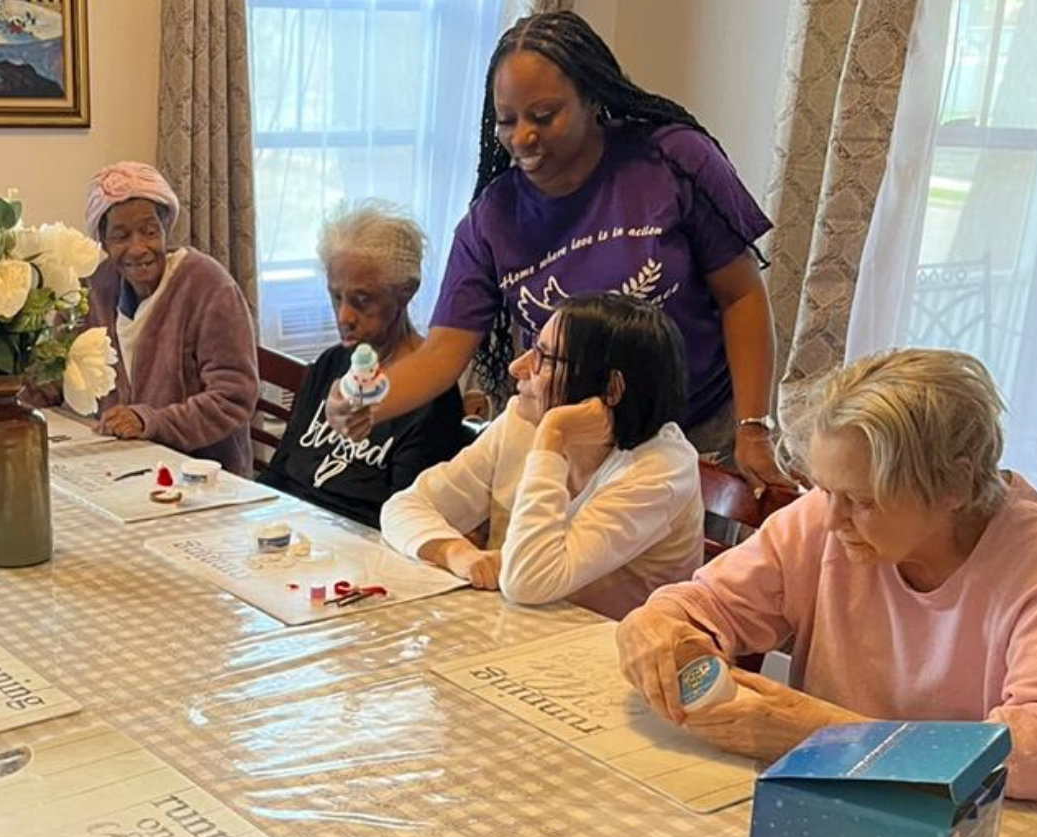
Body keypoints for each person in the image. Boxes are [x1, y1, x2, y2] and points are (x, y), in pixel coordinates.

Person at [615, 349, 1037, 823]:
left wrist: (817, 733)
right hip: (881, 803)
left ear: (955, 483)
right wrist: (656, 624)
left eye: (864, 501)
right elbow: (704, 604)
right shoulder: (826, 516)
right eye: (826, 490)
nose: (832, 520)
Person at [328, 11, 789, 494]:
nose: (522, 137)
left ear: (592, 97)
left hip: (697, 431)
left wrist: (752, 427)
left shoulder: (673, 160)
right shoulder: (491, 221)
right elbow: (443, 353)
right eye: (506, 120)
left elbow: (740, 296)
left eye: (544, 116)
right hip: (576, 447)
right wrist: (367, 400)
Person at [381, 293, 702, 618]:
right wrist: (456, 553)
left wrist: (552, 436)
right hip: (520, 625)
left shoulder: (661, 469)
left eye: (545, 358)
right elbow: (404, 506)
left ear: (611, 388)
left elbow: (528, 581)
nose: (517, 367)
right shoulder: (521, 421)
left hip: (613, 643)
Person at [257, 201, 466, 527]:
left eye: (362, 299)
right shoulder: (332, 363)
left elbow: (404, 520)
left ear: (405, 292)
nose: (344, 316)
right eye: (336, 297)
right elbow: (280, 472)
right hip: (291, 531)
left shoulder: (431, 395)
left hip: (360, 543)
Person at [80, 161, 260, 474]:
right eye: (120, 236)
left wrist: (150, 421)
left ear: (166, 229)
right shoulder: (97, 285)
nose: (138, 248)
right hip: (121, 465)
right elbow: (57, 368)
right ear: (104, 243)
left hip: (200, 474)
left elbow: (233, 397)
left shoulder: (209, 286)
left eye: (150, 232)